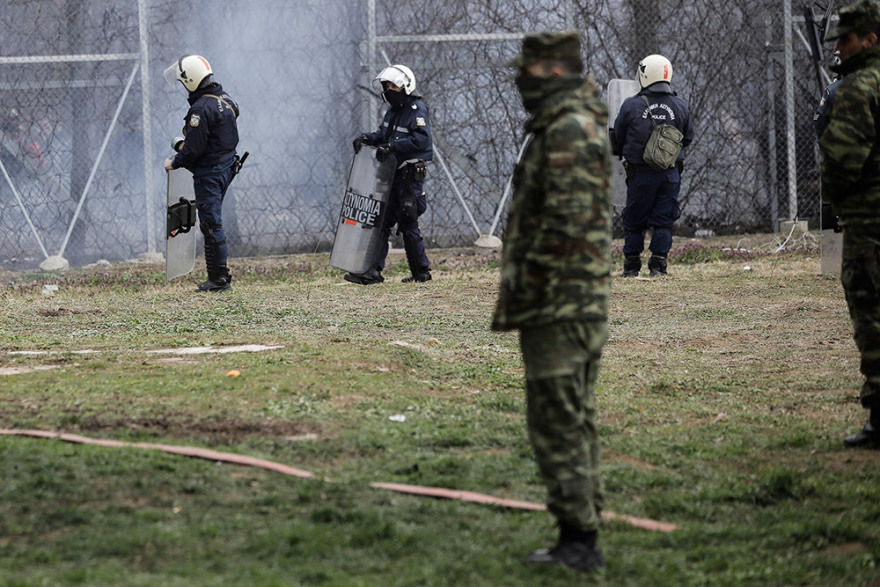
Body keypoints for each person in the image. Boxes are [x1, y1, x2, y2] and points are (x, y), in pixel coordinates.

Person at [492, 30, 612, 574]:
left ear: (557, 71)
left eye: (531, 72)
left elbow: (566, 222)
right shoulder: (568, 124)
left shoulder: (567, 129)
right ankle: (581, 523)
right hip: (569, 301)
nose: (521, 80)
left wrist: (527, 284)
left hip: (559, 305)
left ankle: (578, 541)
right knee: (572, 416)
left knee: (558, 420)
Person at [818, 0, 880, 448]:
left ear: (870, 38)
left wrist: (835, 201)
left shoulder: (858, 89)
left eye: (847, 38)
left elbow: (840, 164)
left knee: (871, 315)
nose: (840, 47)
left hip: (868, 222)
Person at [346, 64, 433, 285]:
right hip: (392, 174)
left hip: (409, 175)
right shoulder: (392, 112)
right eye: (386, 86)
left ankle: (420, 273)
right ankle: (371, 271)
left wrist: (392, 147)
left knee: (407, 217)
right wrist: (367, 139)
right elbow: (383, 135)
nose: (389, 90)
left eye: (393, 85)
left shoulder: (416, 109)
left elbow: (421, 140)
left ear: (405, 86)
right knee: (382, 220)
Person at [163, 54, 240, 292]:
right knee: (212, 221)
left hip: (209, 173)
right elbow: (214, 137)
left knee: (210, 224)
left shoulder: (200, 109)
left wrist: (175, 161)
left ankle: (218, 278)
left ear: (192, 80)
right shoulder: (225, 99)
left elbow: (194, 150)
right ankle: (219, 275)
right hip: (226, 165)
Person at [612, 54, 693, 277]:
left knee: (635, 220)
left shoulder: (631, 105)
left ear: (645, 74)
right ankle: (658, 266)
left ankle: (631, 267)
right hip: (670, 174)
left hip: (639, 175)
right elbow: (687, 138)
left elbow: (618, 138)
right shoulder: (680, 106)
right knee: (664, 220)